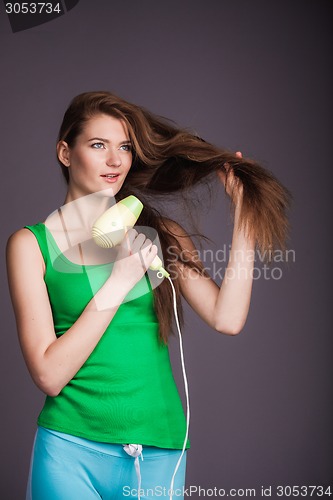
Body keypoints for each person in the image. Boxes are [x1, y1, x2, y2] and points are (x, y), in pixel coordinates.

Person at [6, 91, 290, 499]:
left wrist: (245, 213)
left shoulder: (159, 234)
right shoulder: (31, 245)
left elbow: (226, 318)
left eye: (124, 147)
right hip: (70, 449)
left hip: (159, 451)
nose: (116, 160)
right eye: (98, 145)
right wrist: (120, 281)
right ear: (65, 153)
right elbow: (48, 375)